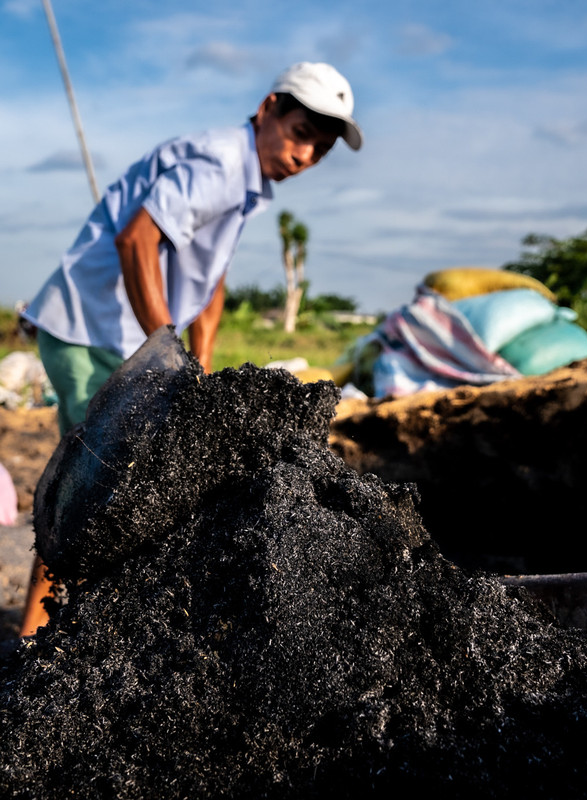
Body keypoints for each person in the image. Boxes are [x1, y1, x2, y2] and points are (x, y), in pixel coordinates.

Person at [18, 62, 364, 636]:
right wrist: (166, 352)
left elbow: (209, 280)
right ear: (268, 107)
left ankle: (70, 629)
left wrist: (201, 364)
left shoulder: (246, 181)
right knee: (98, 488)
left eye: (321, 150)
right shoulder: (223, 162)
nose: (306, 156)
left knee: (122, 485)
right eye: (303, 134)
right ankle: (34, 639)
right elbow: (138, 237)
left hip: (117, 335)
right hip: (92, 328)